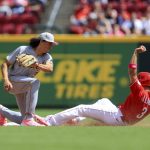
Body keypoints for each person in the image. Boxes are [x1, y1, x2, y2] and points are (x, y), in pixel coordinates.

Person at [0, 45, 149, 126]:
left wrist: (135, 53)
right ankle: (74, 120)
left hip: (118, 118)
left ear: (143, 84)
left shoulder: (141, 92)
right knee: (103, 100)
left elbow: (132, 72)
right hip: (124, 118)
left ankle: (50, 122)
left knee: (81, 108)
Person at [0, 32, 58, 126]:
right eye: (49, 43)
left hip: (25, 85)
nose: (51, 46)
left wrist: (36, 65)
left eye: (52, 44)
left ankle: (2, 111)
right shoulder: (23, 49)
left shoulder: (46, 56)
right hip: (13, 80)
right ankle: (29, 118)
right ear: (42, 41)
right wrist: (6, 80)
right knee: (35, 82)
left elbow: (50, 68)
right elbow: (5, 64)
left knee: (22, 119)